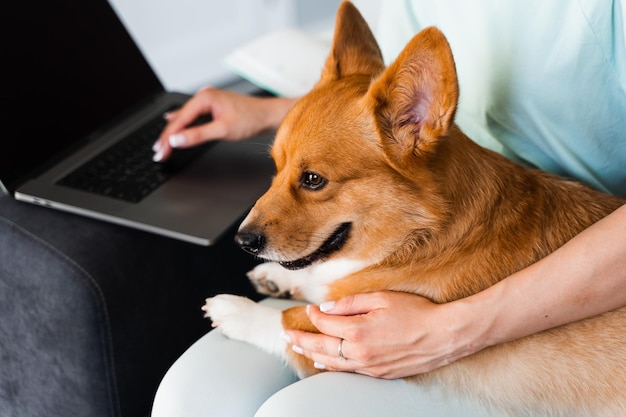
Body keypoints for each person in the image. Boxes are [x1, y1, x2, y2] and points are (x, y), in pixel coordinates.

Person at [151, 1, 626, 416]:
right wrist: (279, 111)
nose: (257, 219)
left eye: (311, 182)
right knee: (188, 395)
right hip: (462, 172)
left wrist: (452, 328)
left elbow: (408, 115)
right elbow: (381, 101)